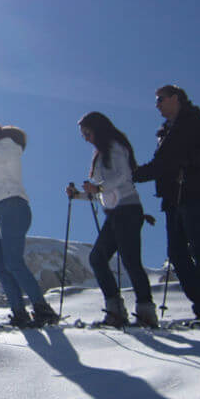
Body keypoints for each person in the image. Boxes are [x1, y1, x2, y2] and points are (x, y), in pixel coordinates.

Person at [133, 85, 200, 325]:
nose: (157, 104)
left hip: (193, 192)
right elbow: (162, 163)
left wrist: (191, 161)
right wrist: (133, 174)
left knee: (199, 248)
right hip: (172, 197)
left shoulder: (195, 119)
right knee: (177, 252)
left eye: (160, 99)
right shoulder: (165, 130)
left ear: (176, 99)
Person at [0, 116, 58, 327]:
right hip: (5, 211)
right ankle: (19, 312)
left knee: (13, 262)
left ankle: (43, 309)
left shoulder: (8, 145)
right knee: (0, 266)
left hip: (13, 207)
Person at [68, 112, 157, 327]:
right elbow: (105, 190)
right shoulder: (103, 151)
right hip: (118, 211)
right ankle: (119, 310)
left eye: (87, 133)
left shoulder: (114, 146)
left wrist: (97, 187)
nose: (86, 138)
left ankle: (141, 311)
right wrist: (80, 195)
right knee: (101, 259)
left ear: (97, 129)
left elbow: (122, 176)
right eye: (83, 135)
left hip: (126, 210)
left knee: (127, 260)